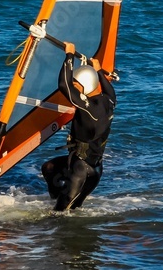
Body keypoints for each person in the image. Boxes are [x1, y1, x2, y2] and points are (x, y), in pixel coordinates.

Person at [41, 42, 116, 211]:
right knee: (48, 168)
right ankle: (55, 196)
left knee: (59, 216)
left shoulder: (88, 107)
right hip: (95, 169)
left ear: (86, 85)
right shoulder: (109, 101)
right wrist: (97, 70)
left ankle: (59, 205)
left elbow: (63, 85)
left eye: (77, 85)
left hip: (80, 171)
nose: (74, 88)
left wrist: (69, 55)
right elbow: (109, 89)